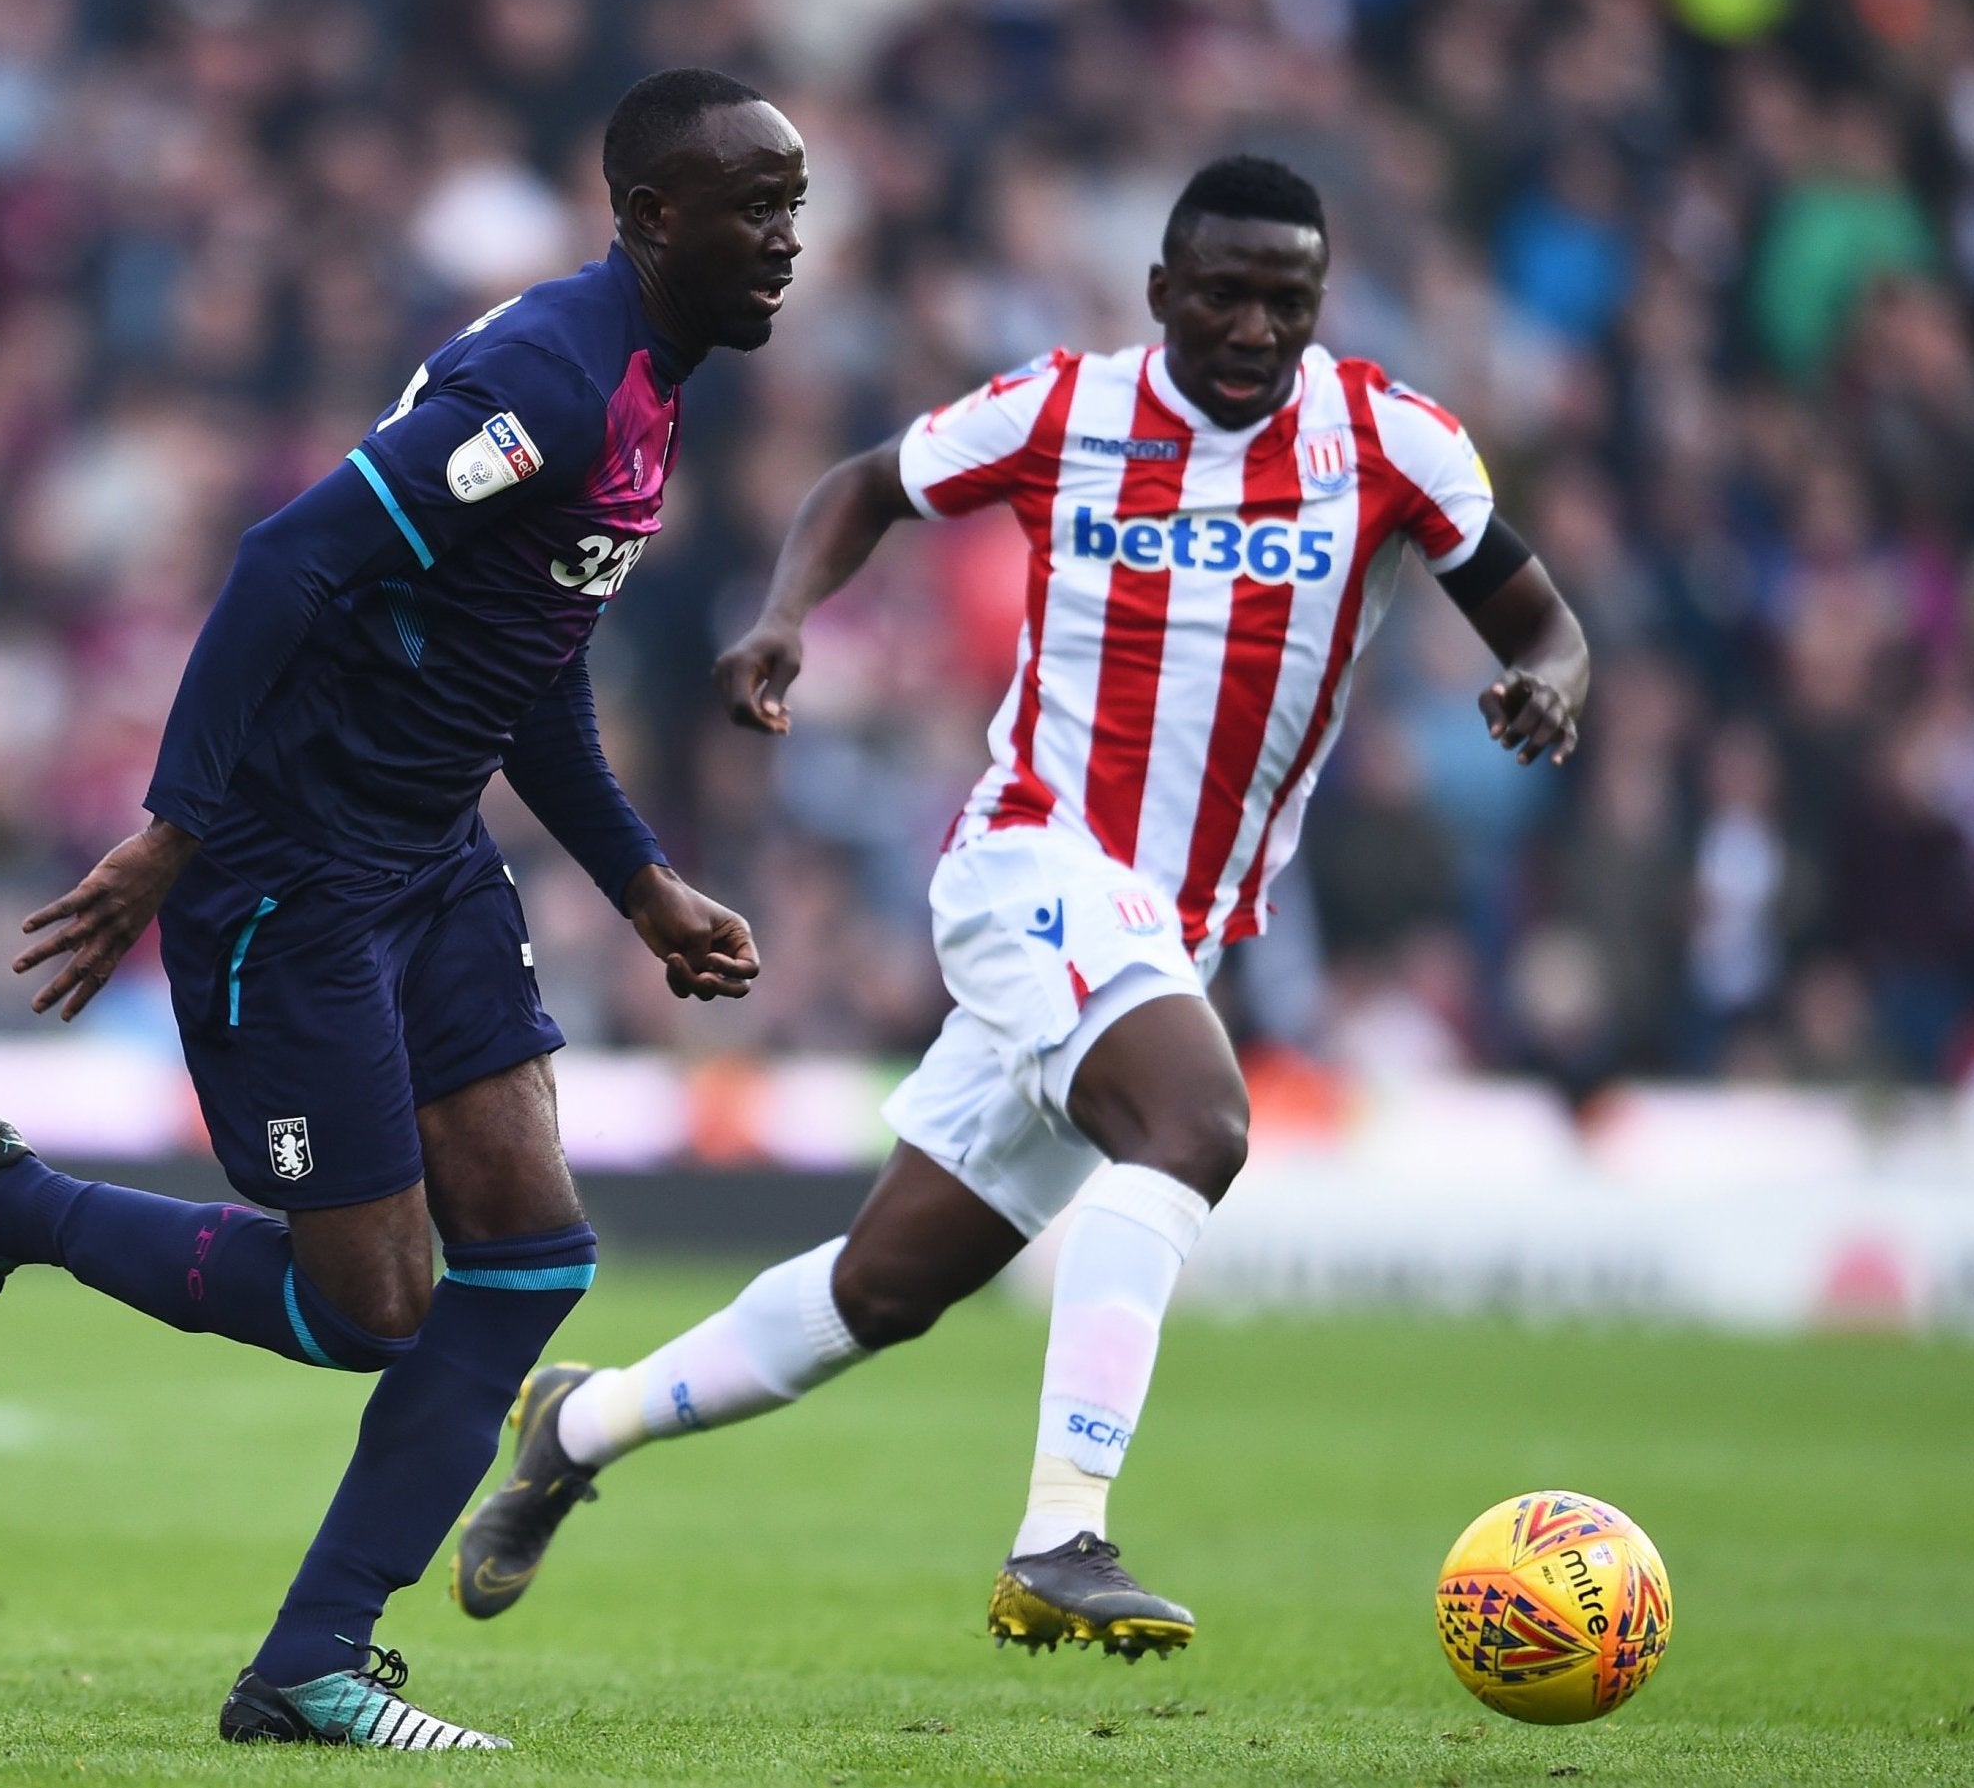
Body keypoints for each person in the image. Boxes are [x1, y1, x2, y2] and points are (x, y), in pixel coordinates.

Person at [454, 155, 1590, 1660]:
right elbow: (866, 484)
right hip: (1033, 864)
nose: (1258, 328)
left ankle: (574, 1425)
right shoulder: (1068, 408)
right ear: (1163, 295)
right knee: (1196, 1128)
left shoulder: (1392, 442)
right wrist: (786, 616)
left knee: (883, 1288)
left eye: (1290, 303)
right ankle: (1062, 1535)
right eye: (1230, 296)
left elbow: (1540, 619)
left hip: (1163, 930)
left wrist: (1547, 688)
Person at [0, 68, 806, 1750]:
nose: (789, 242)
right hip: (289, 864)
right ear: (655, 215)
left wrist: (643, 879)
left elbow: (526, 665)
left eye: (795, 202)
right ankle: (7, 1208)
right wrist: (174, 833)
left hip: (426, 855)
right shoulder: (551, 378)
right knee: (367, 1307)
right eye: (758, 204)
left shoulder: (650, 388)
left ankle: (315, 1654)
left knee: (530, 1255)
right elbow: (286, 560)